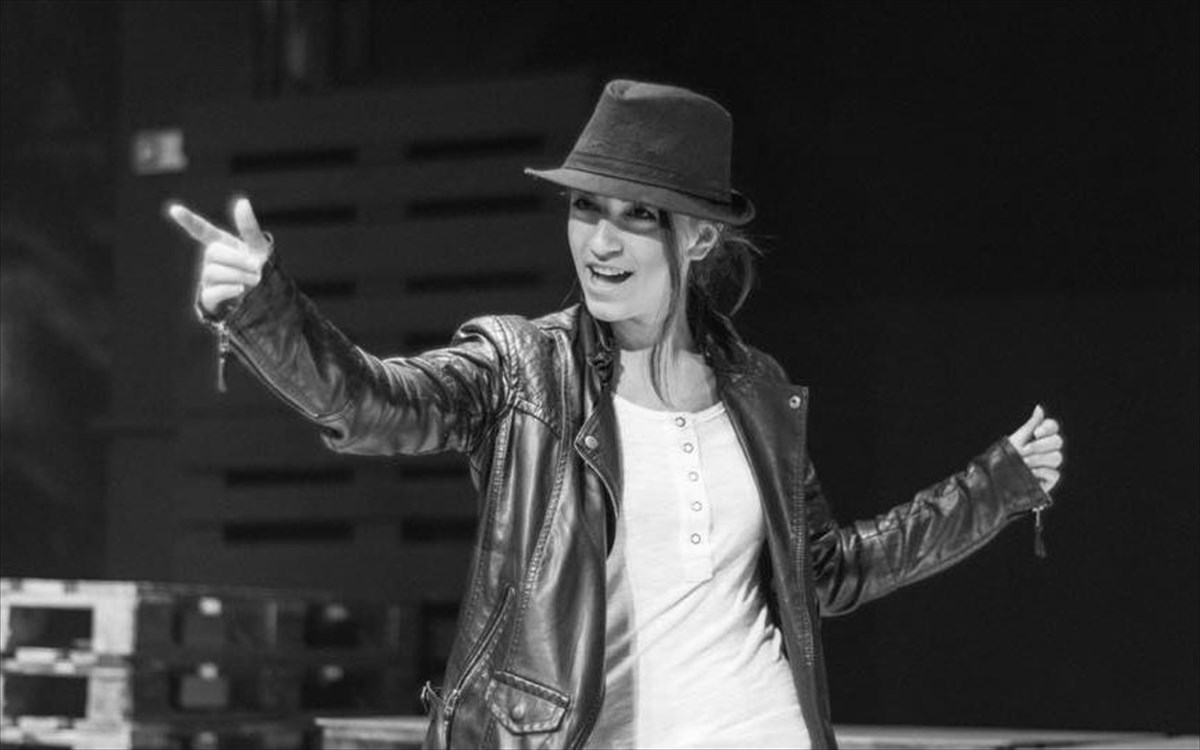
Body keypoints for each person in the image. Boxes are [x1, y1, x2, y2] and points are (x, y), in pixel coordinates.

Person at [168, 80, 1064, 749]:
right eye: (585, 209)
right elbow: (371, 404)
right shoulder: (525, 368)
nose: (600, 242)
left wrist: (994, 489)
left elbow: (826, 571)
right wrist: (262, 310)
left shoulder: (757, 389)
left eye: (637, 216)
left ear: (699, 237)